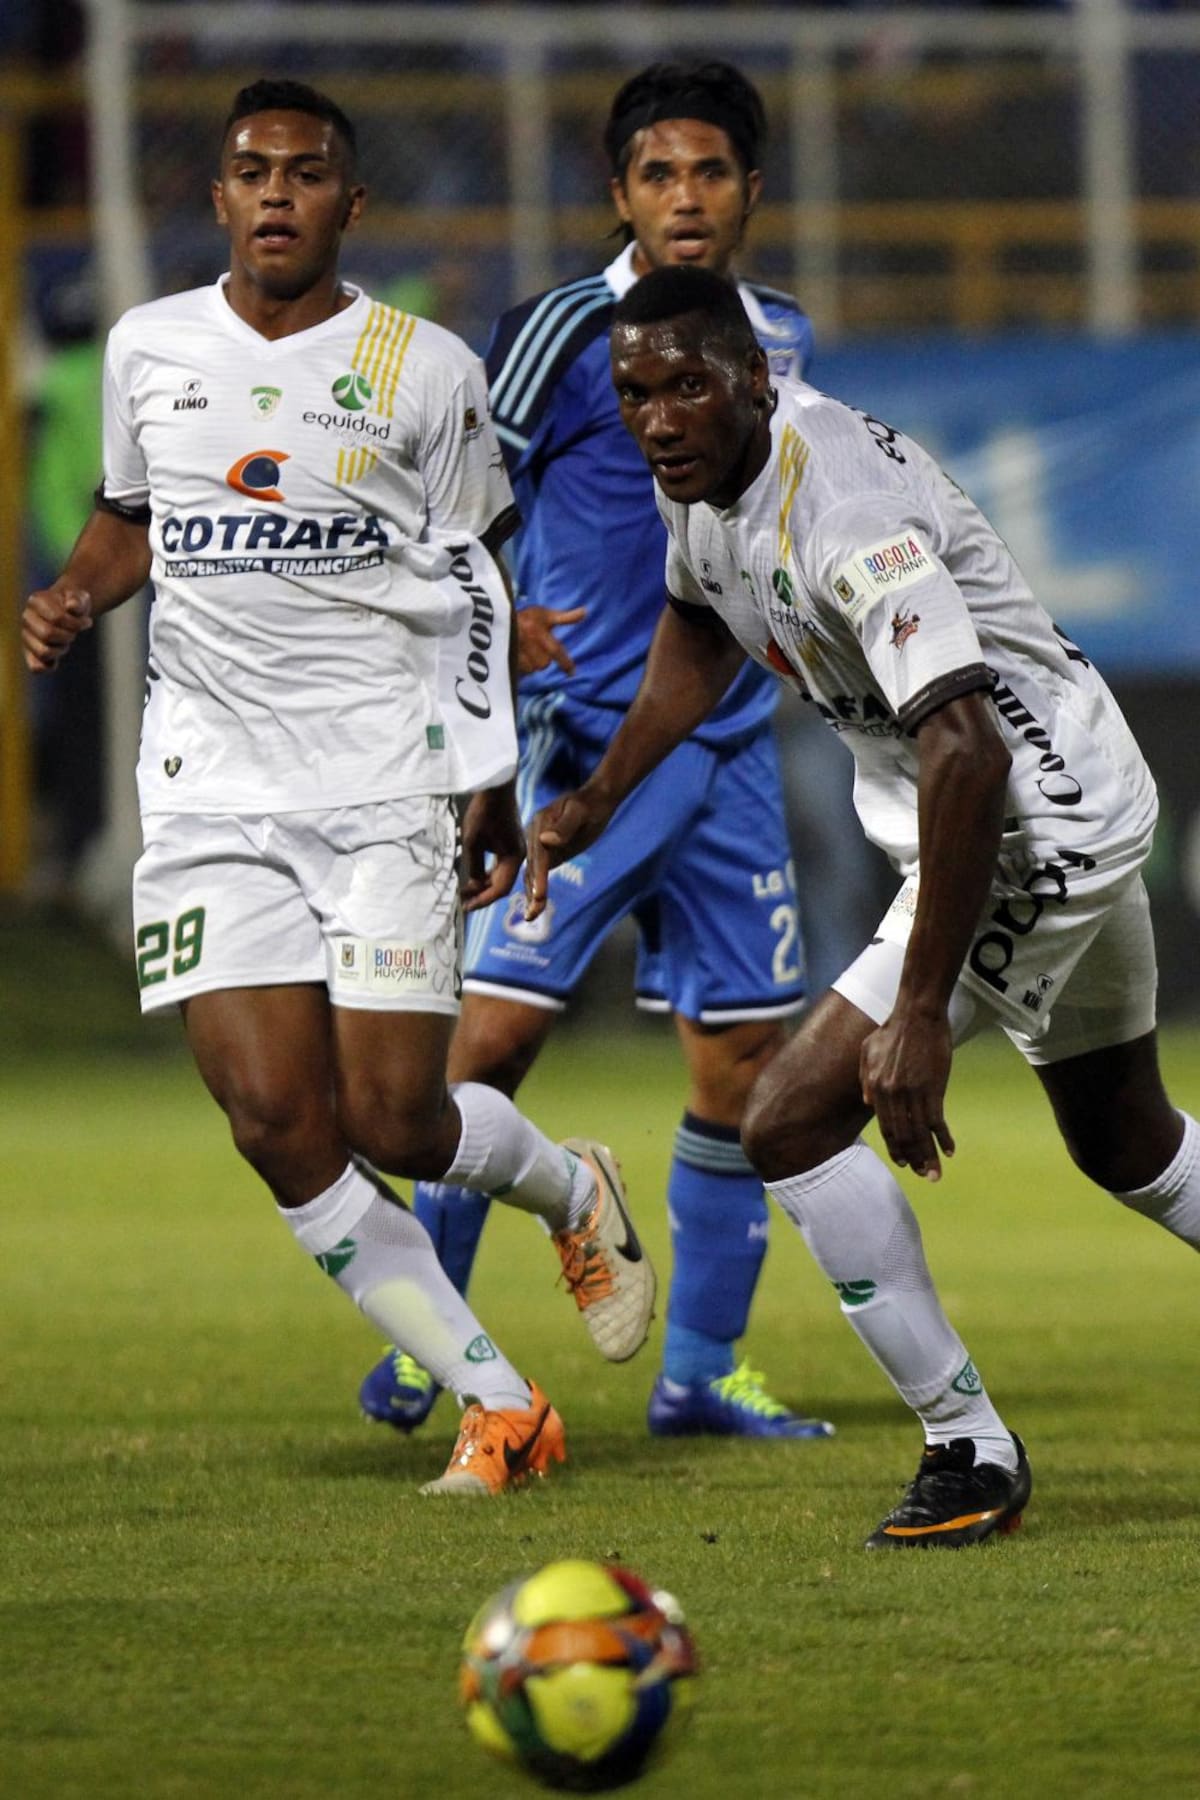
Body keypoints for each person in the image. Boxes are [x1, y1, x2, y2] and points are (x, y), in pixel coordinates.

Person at [20, 78, 657, 1499]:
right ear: (219, 198)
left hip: (383, 786)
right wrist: (74, 591)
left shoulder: (423, 367)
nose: (275, 193)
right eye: (252, 171)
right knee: (271, 1120)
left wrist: (489, 778)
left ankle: (570, 1187)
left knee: (394, 1120)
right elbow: (132, 517)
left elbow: (479, 579)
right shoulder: (147, 347)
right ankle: (503, 1404)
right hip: (206, 790)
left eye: (305, 173)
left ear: (349, 204)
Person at [525, 263, 1200, 1548]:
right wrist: (601, 795)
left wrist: (924, 1010)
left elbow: (968, 750)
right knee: (1127, 1141)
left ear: (753, 379)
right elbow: (698, 627)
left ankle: (969, 1450)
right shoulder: (701, 480)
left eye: (685, 387)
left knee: (785, 1120)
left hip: (1032, 827)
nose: (658, 419)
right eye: (635, 394)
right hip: (1048, 799)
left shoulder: (841, 509)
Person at [359, 61, 834, 1444]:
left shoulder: (781, 332)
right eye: (659, 174)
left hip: (731, 746)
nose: (687, 197)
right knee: (487, 1047)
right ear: (620, 191)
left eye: (712, 172)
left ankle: (700, 1373)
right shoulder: (560, 327)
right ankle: (433, 1344)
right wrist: (489, 624)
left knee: (742, 1063)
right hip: (584, 744)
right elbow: (456, 493)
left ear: (752, 189)